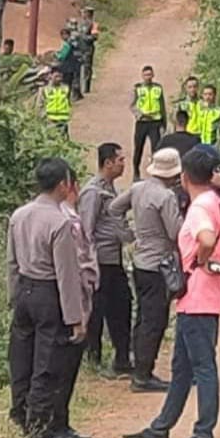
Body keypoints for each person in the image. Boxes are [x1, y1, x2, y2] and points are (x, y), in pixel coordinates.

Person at [123, 146, 220, 438]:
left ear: (184, 177)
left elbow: (207, 239)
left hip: (197, 295)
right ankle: (160, 428)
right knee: (183, 368)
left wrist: (198, 262)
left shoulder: (199, 207)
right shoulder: (215, 202)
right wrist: (210, 259)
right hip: (201, 297)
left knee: (202, 368)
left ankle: (203, 435)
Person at [7, 157, 85, 438]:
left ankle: (20, 419)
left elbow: (11, 262)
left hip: (24, 291)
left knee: (21, 360)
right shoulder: (59, 222)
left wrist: (13, 297)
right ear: (64, 185)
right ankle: (41, 437)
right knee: (46, 366)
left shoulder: (19, 215)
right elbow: (67, 274)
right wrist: (75, 318)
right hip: (48, 293)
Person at [109, 148, 184, 393]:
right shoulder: (166, 197)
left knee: (142, 317)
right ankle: (143, 375)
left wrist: (128, 235)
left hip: (141, 261)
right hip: (159, 264)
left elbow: (114, 209)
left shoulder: (139, 188)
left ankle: (141, 368)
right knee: (155, 319)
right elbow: (175, 232)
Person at [79, 143, 134, 376]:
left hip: (113, 259)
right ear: (108, 163)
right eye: (120, 160)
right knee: (97, 311)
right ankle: (94, 357)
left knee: (121, 306)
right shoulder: (92, 192)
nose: (124, 164)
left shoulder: (111, 190)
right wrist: (88, 264)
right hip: (100, 261)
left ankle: (121, 358)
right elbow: (86, 229)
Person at [54, 168, 97, 438]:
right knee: (64, 368)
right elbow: (75, 267)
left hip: (72, 299)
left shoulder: (61, 217)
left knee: (67, 368)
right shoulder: (68, 221)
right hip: (74, 302)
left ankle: (62, 424)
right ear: (70, 185)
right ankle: (58, 426)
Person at [130, 65, 167, 180]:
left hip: (155, 122)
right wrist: (139, 114)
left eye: (150, 74)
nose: (148, 77)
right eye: (146, 75)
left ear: (153, 75)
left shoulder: (158, 88)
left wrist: (164, 122)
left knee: (156, 149)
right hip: (142, 122)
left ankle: (156, 173)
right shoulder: (137, 88)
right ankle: (136, 171)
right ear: (142, 76)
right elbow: (132, 105)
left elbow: (162, 105)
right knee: (138, 148)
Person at [37, 67, 72, 138]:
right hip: (50, 121)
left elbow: (68, 102)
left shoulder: (66, 88)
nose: (58, 78)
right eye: (56, 76)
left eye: (60, 76)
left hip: (63, 120)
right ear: (50, 76)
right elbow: (39, 105)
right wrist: (42, 118)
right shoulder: (44, 89)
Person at [78, 7, 100, 94]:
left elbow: (95, 37)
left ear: (89, 14)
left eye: (84, 13)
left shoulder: (93, 24)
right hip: (80, 47)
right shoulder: (81, 24)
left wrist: (84, 38)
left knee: (87, 67)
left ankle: (86, 87)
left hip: (88, 48)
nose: (83, 14)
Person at [56, 28, 81, 96]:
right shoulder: (72, 42)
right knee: (69, 83)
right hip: (72, 66)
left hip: (67, 67)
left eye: (64, 35)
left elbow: (62, 56)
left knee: (66, 83)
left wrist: (56, 55)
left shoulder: (67, 44)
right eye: (62, 35)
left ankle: (66, 97)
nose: (63, 36)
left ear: (67, 35)